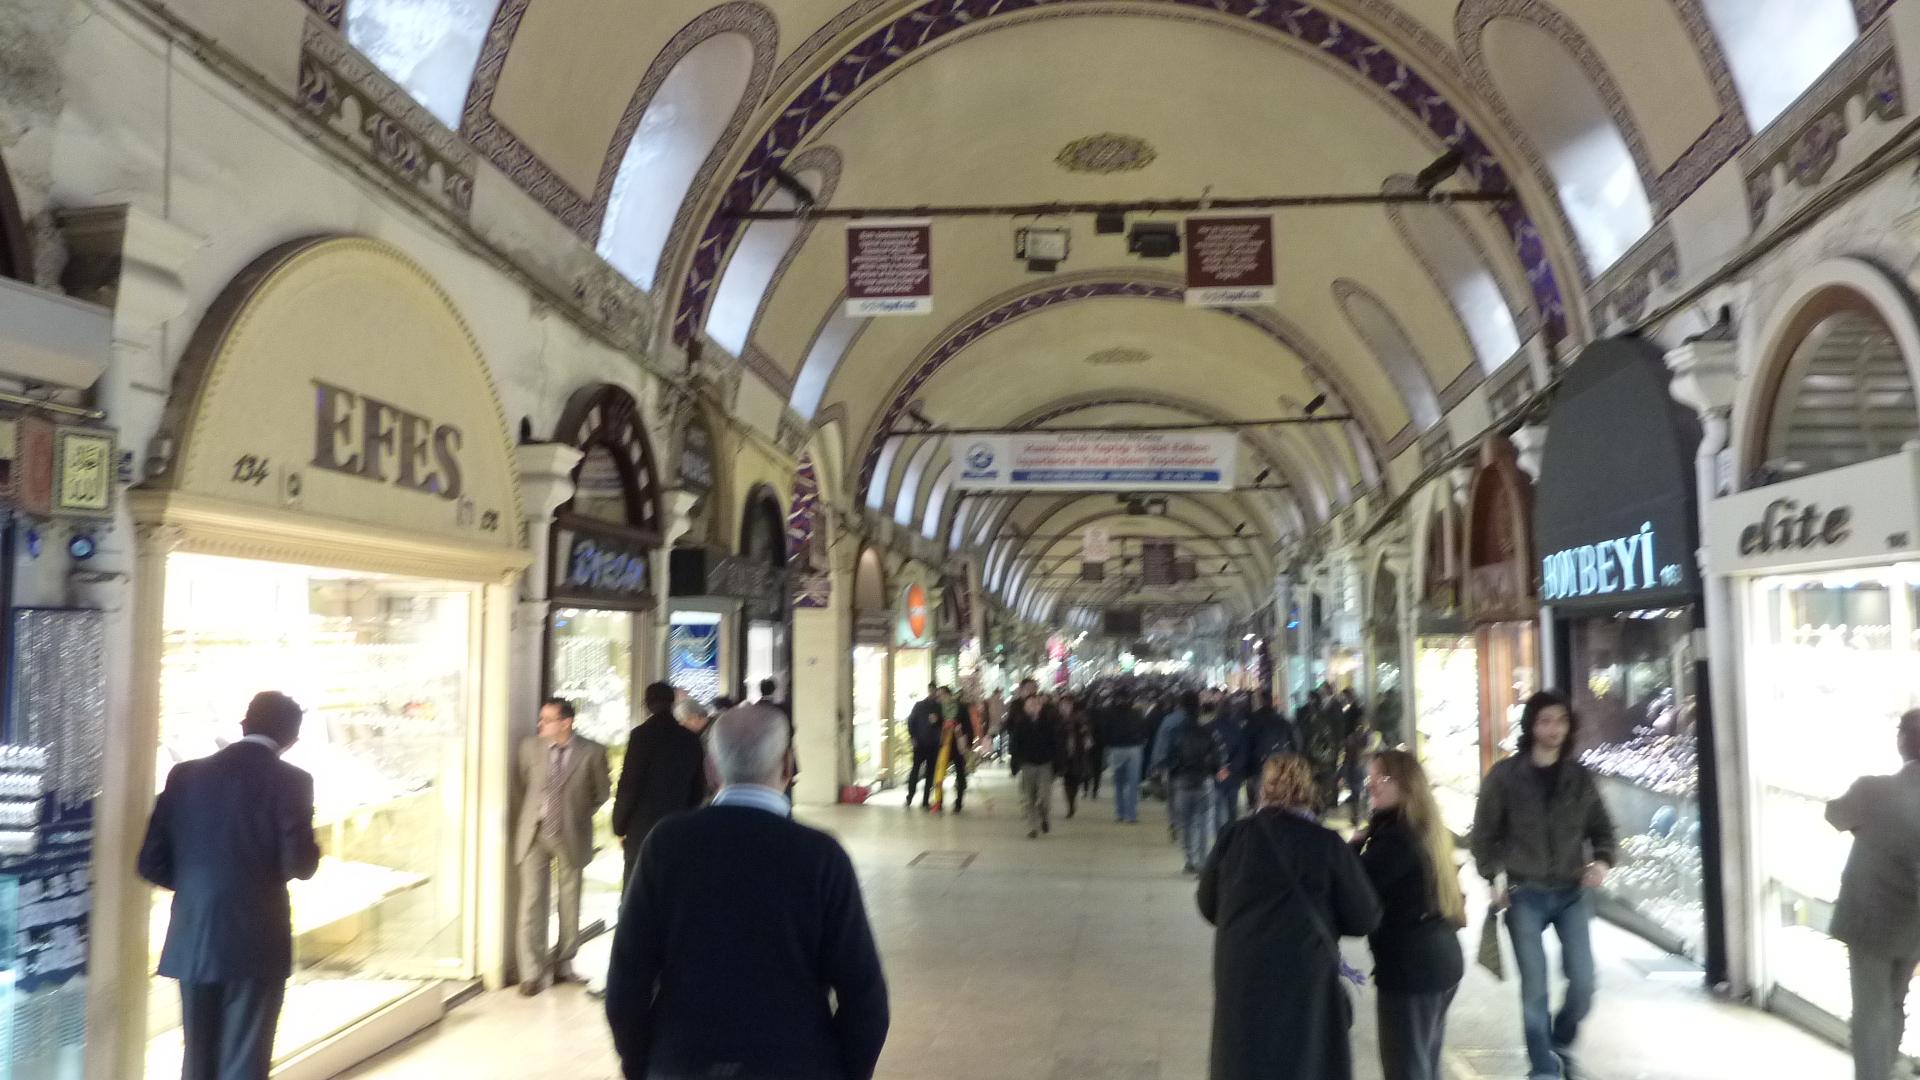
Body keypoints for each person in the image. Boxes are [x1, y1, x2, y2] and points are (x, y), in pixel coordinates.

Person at [604, 704, 889, 1080]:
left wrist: (643, 1066)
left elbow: (627, 980)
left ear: (710, 768)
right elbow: (865, 997)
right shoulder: (820, 856)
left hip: (683, 1061)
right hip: (795, 1063)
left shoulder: (666, 846)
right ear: (788, 765)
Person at [138, 691, 322, 1080]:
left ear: (243, 724)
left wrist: (199, 888)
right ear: (291, 739)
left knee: (197, 1056)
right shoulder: (293, 781)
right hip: (257, 939)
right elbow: (300, 865)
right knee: (245, 1059)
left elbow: (150, 862)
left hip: (194, 934)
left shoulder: (184, 775)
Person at [1200, 754, 1381, 1080]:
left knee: (1245, 1056)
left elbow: (1207, 903)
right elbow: (1364, 917)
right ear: (1308, 790)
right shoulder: (1326, 844)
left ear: (1263, 789)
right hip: (1304, 972)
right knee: (1304, 1057)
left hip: (1242, 969)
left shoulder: (1234, 837)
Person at [1470, 691, 1617, 1080]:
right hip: (1524, 893)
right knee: (1535, 987)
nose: (1554, 729)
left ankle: (1560, 1040)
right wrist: (1494, 876)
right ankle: (1542, 1067)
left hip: (1572, 893)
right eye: (1545, 721)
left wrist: (1602, 861)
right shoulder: (1505, 777)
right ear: (1531, 726)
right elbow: (1483, 836)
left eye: (1561, 721)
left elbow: (1603, 829)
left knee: (1583, 984)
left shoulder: (1578, 779)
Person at [1356, 750, 1466, 1080]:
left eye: (1383, 778)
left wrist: (1352, 846)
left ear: (1407, 786)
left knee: (1406, 1070)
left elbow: (1352, 889)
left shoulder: (1396, 839)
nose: (1372, 785)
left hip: (1412, 970)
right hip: (1438, 961)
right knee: (1423, 1066)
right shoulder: (1420, 828)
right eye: (1371, 778)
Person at [1826, 708, 1920, 1080]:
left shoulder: (1872, 790)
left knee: (1869, 1010)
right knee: (1895, 1001)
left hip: (1869, 919)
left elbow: (1835, 815)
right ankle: (1887, 1066)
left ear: (1902, 741)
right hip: (1912, 922)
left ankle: (1873, 1074)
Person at [514, 697, 612, 994]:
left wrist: (576, 815)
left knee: (570, 900)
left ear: (566, 723)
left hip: (571, 833)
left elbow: (601, 793)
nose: (540, 725)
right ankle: (531, 972)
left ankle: (563, 963)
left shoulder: (592, 752)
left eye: (547, 720)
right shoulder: (530, 748)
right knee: (532, 901)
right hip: (534, 832)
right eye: (541, 718)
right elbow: (524, 782)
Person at [611, 682, 710, 892]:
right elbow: (698, 788)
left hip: (641, 827)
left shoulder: (640, 736)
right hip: (677, 824)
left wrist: (619, 825)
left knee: (637, 888)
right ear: (673, 703)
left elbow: (629, 784)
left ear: (647, 703)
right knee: (672, 888)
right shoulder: (690, 739)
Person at [1167, 692, 1225, 874]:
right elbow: (1217, 758)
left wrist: (1174, 771)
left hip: (1182, 781)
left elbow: (1169, 758)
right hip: (1204, 781)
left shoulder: (1175, 733)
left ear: (1181, 708)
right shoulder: (1209, 732)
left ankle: (1189, 859)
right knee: (1203, 822)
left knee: (1185, 823)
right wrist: (1216, 771)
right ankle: (1202, 861)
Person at [1008, 693, 1061, 839]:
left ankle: (1044, 815)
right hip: (1028, 764)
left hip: (1045, 764)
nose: (1033, 707)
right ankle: (1032, 827)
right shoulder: (1020, 723)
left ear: (1040, 706)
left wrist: (1057, 762)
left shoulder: (1048, 722)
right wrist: (1015, 763)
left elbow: (1056, 743)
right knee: (1029, 797)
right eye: (1030, 705)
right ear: (1025, 707)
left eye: (1036, 704)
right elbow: (1014, 745)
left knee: (1044, 797)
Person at [1102, 692, 1151, 824]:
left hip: (1116, 748)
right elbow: (1144, 729)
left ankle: (1120, 813)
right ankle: (1131, 815)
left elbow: (1105, 731)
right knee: (1133, 783)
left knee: (1119, 782)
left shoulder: (1111, 714)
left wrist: (1108, 744)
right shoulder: (1137, 714)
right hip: (1134, 748)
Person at [929, 689, 974, 814]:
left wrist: (968, 744)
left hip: (958, 745)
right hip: (943, 745)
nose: (939, 698)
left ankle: (959, 802)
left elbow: (968, 726)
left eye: (941, 695)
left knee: (960, 773)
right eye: (938, 696)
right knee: (939, 773)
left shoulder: (960, 707)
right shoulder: (938, 708)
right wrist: (935, 721)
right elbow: (934, 726)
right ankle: (938, 801)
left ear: (948, 695)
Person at [904, 685, 947, 811]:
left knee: (929, 773)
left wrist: (937, 720)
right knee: (916, 770)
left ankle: (925, 800)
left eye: (935, 692)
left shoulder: (939, 707)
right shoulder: (919, 705)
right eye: (932, 691)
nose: (933, 694)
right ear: (929, 691)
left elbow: (944, 724)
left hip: (932, 745)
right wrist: (912, 737)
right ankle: (910, 796)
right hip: (920, 744)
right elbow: (911, 721)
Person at [1213, 696, 1252, 835]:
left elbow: (1206, 752)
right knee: (1232, 809)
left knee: (1217, 810)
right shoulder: (1239, 729)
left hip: (1216, 776)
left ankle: (1220, 836)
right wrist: (1229, 769)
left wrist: (1217, 770)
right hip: (1234, 776)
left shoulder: (1209, 728)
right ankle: (1231, 835)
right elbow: (1243, 753)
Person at [1057, 696, 1096, 818]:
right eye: (1063, 705)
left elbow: (1087, 731)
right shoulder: (1057, 719)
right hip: (1063, 754)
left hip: (1077, 753)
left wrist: (1084, 731)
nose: (1065, 707)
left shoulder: (1079, 717)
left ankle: (1072, 801)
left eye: (1067, 705)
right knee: (1066, 780)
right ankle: (1070, 805)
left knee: (1074, 779)